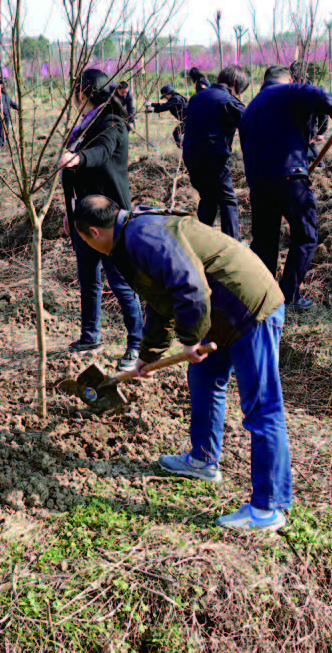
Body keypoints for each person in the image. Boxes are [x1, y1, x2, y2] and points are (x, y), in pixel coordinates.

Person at [72, 195, 290, 533]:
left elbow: (190, 287)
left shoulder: (143, 236)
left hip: (249, 309)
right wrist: (148, 356)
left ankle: (268, 508)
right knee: (203, 382)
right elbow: (163, 303)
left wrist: (189, 341)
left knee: (262, 410)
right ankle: (203, 460)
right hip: (217, 316)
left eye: (84, 241)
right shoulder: (130, 239)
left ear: (92, 232)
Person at [238, 71, 332, 311]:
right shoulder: (289, 90)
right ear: (288, 80)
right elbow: (317, 94)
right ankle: (289, 295)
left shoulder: (251, 107)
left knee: (265, 240)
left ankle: (264, 296)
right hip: (289, 176)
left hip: (258, 181)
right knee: (305, 234)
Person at [57, 69, 145, 368]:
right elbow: (73, 176)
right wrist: (70, 213)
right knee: (88, 281)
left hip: (110, 219)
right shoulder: (84, 124)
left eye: (75, 92)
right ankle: (90, 335)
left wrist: (78, 157)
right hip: (85, 215)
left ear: (85, 92)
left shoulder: (111, 122)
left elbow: (101, 152)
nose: (73, 98)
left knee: (120, 283)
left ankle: (137, 344)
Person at [181, 65, 248, 239]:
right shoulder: (228, 101)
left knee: (208, 197)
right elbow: (250, 123)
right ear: (234, 82)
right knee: (227, 199)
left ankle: (200, 241)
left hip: (190, 155)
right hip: (212, 156)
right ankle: (233, 245)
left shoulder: (196, 97)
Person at [0, 77, 20, 149]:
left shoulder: (4, 92)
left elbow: (9, 101)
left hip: (6, 113)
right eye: (4, 83)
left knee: (6, 128)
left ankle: (3, 143)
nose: (5, 85)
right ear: (0, 84)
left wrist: (17, 107)